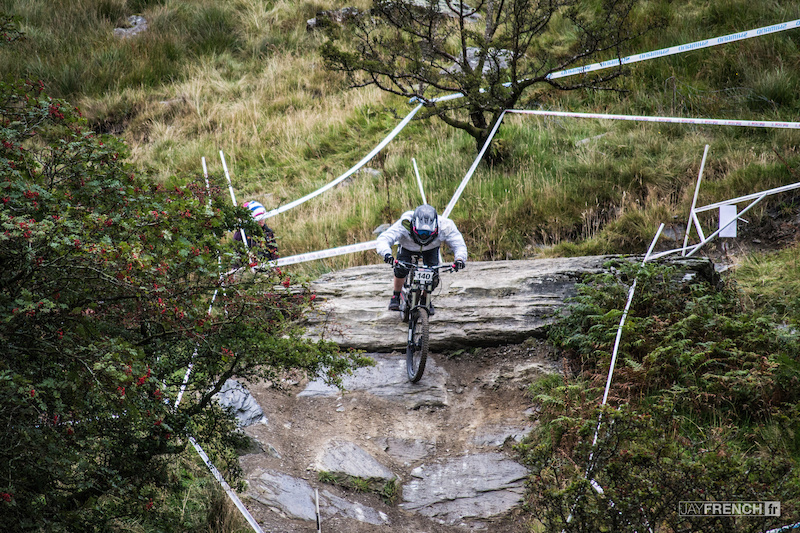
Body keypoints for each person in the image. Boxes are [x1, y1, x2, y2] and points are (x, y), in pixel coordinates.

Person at [375, 204, 467, 314]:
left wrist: (460, 259)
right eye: (421, 232)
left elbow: (458, 244)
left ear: (436, 227)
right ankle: (396, 295)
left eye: (427, 233)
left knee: (434, 276)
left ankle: (425, 298)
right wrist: (387, 254)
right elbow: (385, 238)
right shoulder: (405, 223)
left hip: (431, 248)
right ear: (413, 225)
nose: (424, 236)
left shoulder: (445, 226)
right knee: (401, 269)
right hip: (407, 247)